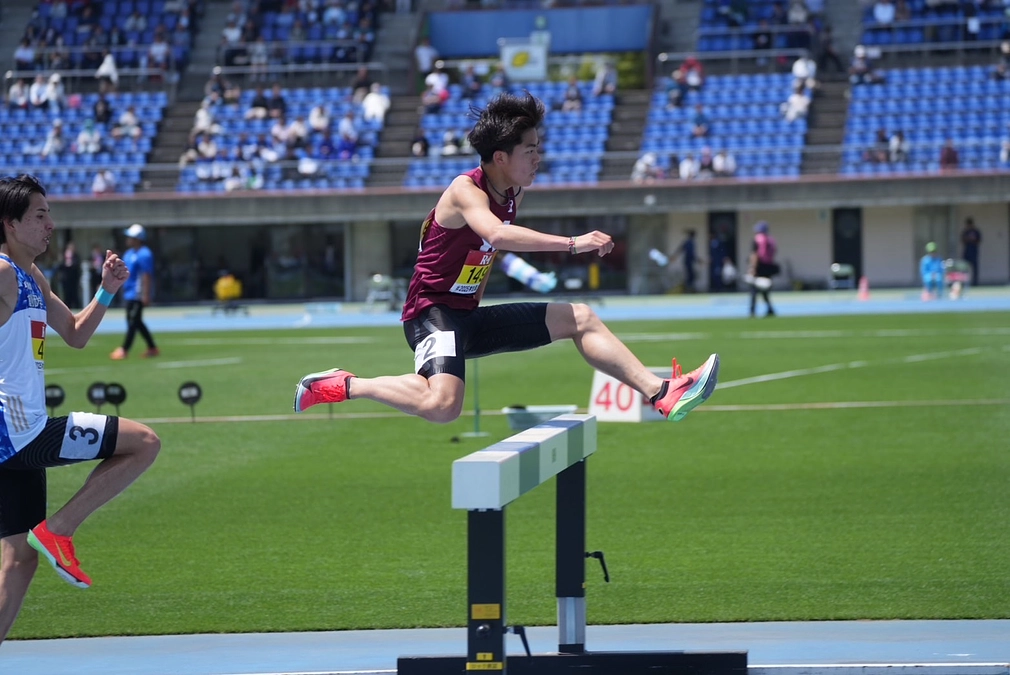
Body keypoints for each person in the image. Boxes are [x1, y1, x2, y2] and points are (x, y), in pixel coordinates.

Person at [292, 92, 720, 424]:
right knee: (443, 407)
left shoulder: (512, 190)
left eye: (538, 146)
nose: (539, 156)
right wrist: (573, 243)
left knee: (581, 317)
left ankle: (662, 393)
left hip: (468, 316)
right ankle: (341, 385)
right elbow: (496, 233)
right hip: (431, 313)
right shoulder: (465, 190)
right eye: (529, 149)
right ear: (500, 157)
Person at [0, 174, 161, 644]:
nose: (51, 224)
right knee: (144, 443)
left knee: (19, 560)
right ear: (10, 224)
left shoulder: (31, 276)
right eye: (40, 215)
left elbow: (74, 332)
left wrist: (107, 290)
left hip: (19, 440)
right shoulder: (4, 272)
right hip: (19, 433)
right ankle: (61, 529)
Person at [109, 224, 159, 360]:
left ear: (137, 238)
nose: (128, 239)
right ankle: (152, 347)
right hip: (129, 293)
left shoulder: (144, 254)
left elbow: (146, 275)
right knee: (136, 321)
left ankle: (124, 349)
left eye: (131, 237)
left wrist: (146, 295)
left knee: (133, 321)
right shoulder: (129, 254)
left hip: (138, 294)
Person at [747, 220, 778, 317]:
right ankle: (770, 309)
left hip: (759, 267)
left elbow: (755, 255)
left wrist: (752, 268)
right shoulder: (770, 240)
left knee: (754, 290)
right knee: (765, 290)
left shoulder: (757, 239)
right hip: (768, 267)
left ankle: (752, 311)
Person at [960, 216, 981, 287]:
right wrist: (968, 239)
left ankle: (975, 282)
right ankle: (964, 282)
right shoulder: (965, 231)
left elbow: (978, 240)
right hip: (967, 251)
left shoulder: (976, 231)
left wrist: (972, 239)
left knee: (975, 267)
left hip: (974, 251)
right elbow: (962, 240)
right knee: (964, 267)